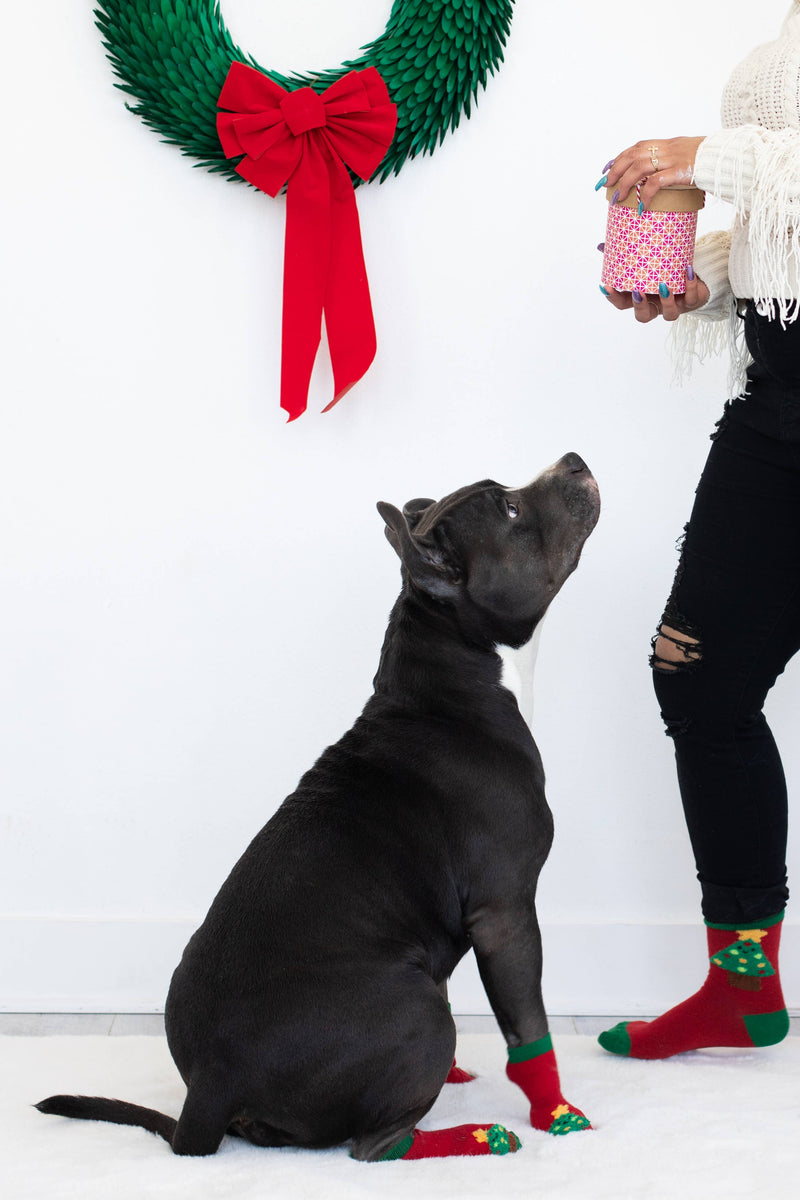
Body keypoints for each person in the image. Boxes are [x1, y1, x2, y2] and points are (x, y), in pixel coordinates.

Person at [596, 1, 800, 1059]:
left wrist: (701, 154)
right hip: (778, 413)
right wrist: (701, 275)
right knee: (699, 682)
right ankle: (740, 985)